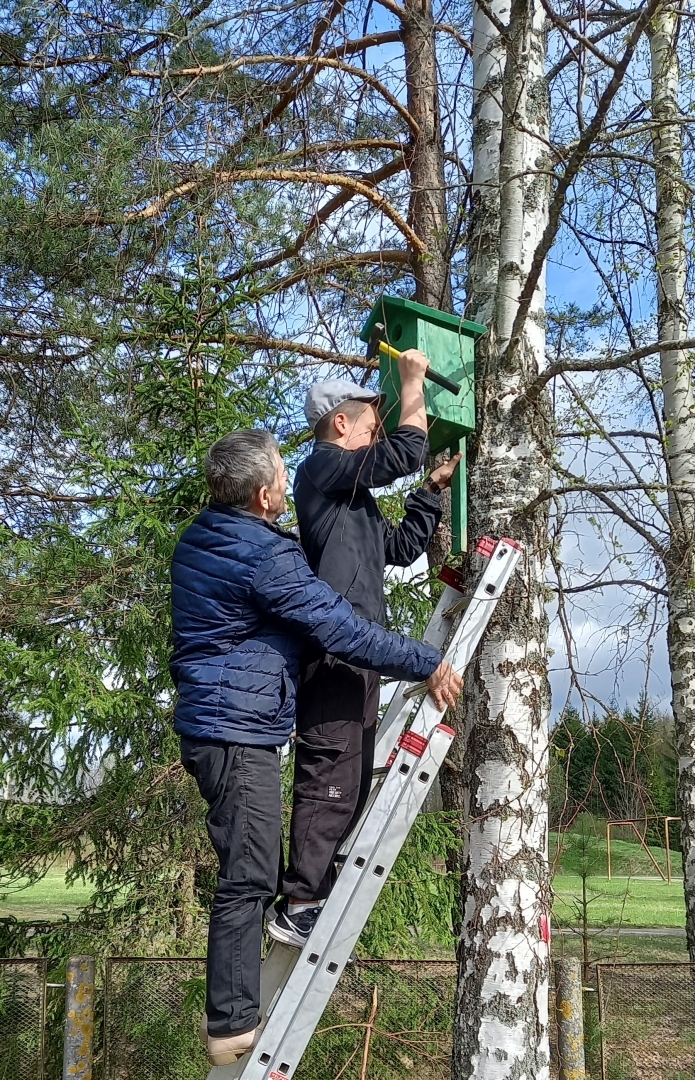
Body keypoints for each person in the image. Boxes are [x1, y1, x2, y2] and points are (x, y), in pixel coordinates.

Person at [170, 428, 462, 1067]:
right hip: (235, 729)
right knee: (248, 873)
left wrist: (428, 496)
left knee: (248, 867)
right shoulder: (260, 552)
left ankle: (237, 1008)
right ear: (267, 492)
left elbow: (377, 551)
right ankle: (230, 1026)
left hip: (219, 724)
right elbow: (335, 626)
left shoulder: (207, 538)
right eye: (278, 471)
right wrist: (424, 660)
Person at [269, 349, 461, 949]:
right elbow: (402, 449)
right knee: (329, 773)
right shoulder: (321, 467)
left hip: (361, 655)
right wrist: (410, 384)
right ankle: (300, 900)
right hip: (334, 651)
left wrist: (430, 491)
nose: (377, 422)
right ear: (339, 424)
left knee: (348, 779)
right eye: (369, 414)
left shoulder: (353, 499)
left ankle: (311, 893)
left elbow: (401, 547)